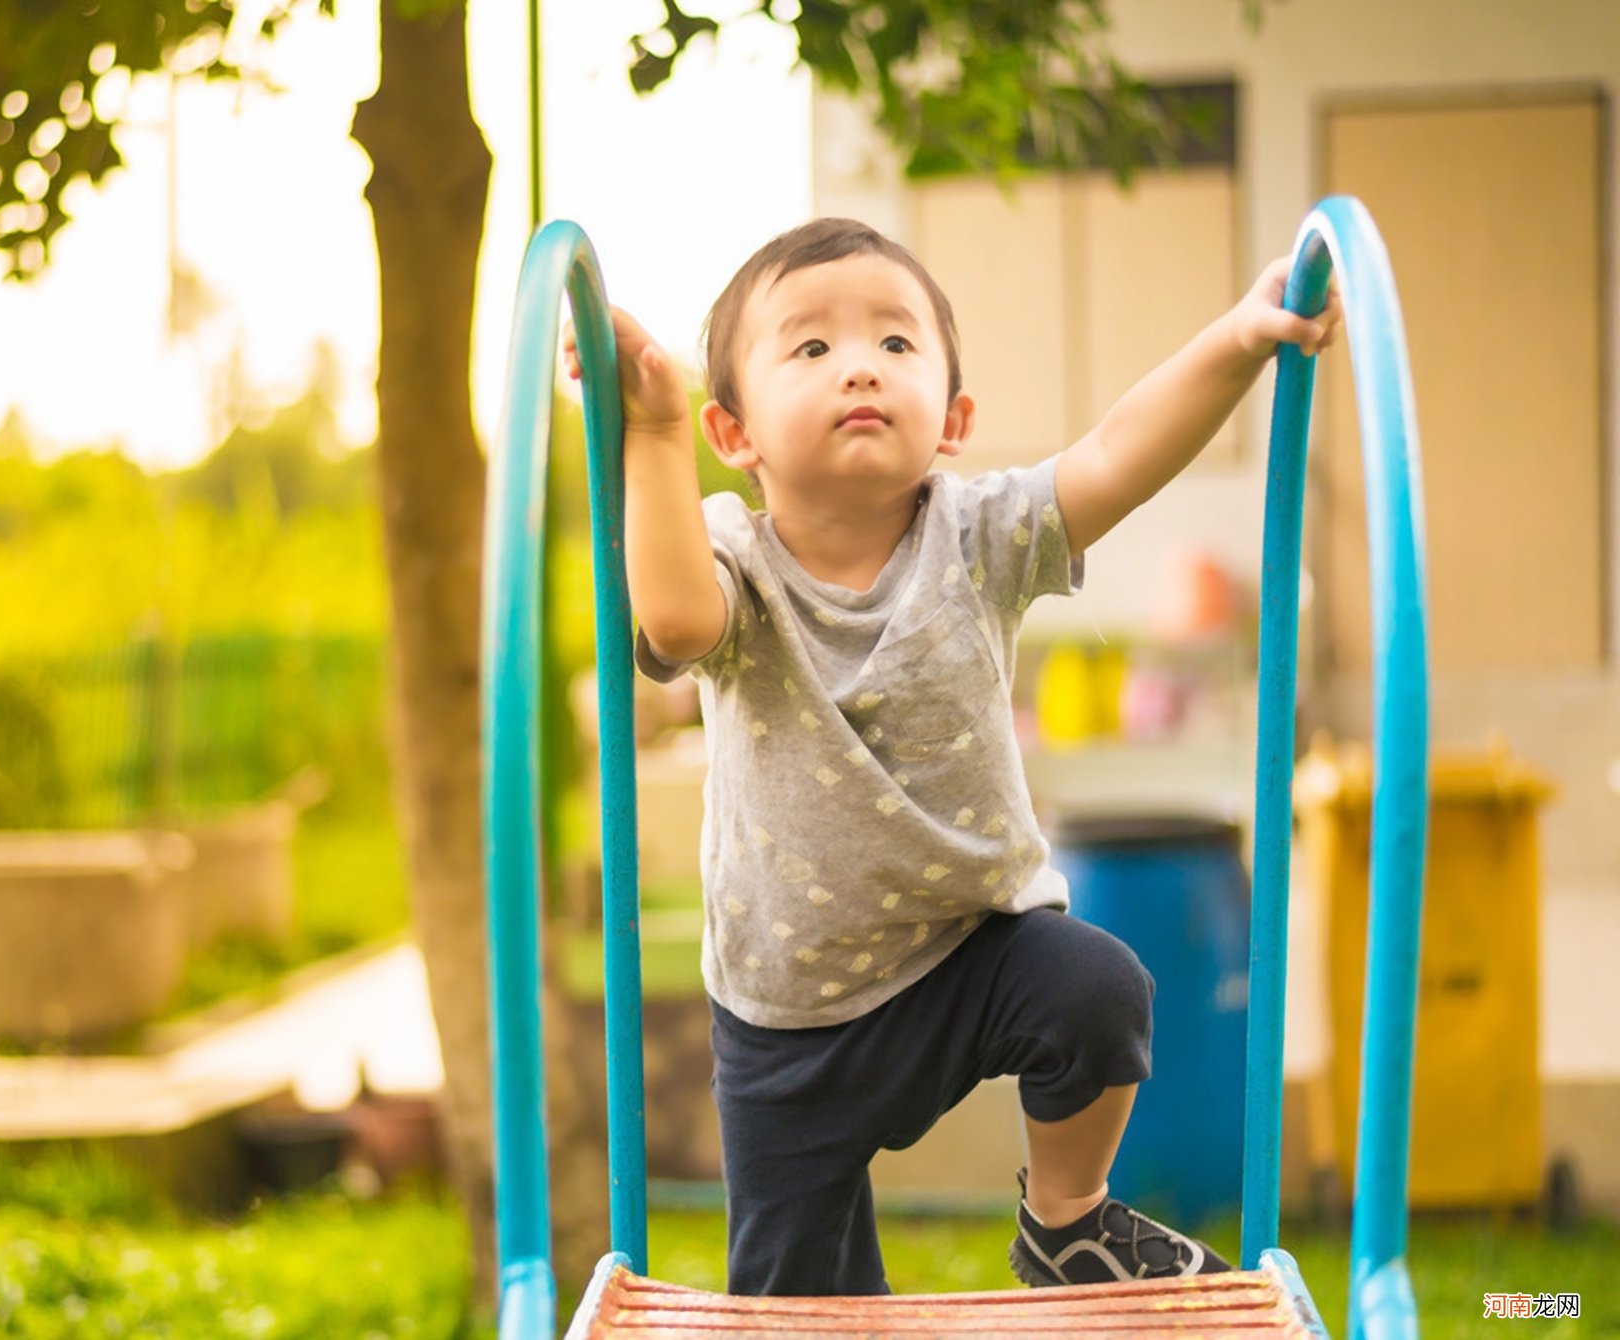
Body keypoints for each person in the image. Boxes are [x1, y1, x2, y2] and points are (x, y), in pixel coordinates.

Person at [564, 216, 1340, 1296]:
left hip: (966, 959)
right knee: (797, 1303)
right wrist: (647, 430)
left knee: (1096, 988)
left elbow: (1117, 449)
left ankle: (1066, 1221)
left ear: (952, 421)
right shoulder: (730, 556)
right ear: (732, 431)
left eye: (894, 342)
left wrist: (1239, 341)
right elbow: (678, 622)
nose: (858, 368)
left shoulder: (981, 535)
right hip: (789, 1018)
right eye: (809, 347)